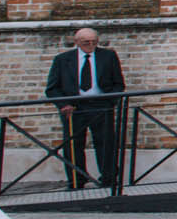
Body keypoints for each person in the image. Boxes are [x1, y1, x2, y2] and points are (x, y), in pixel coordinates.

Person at [46, 26, 125, 189]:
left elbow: (118, 83)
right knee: (74, 144)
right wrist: (64, 104)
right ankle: (76, 180)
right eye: (86, 42)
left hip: (101, 105)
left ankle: (109, 179)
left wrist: (111, 101)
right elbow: (52, 88)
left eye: (94, 42)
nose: (90, 45)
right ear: (76, 42)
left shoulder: (108, 56)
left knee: (106, 142)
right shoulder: (62, 59)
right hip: (74, 107)